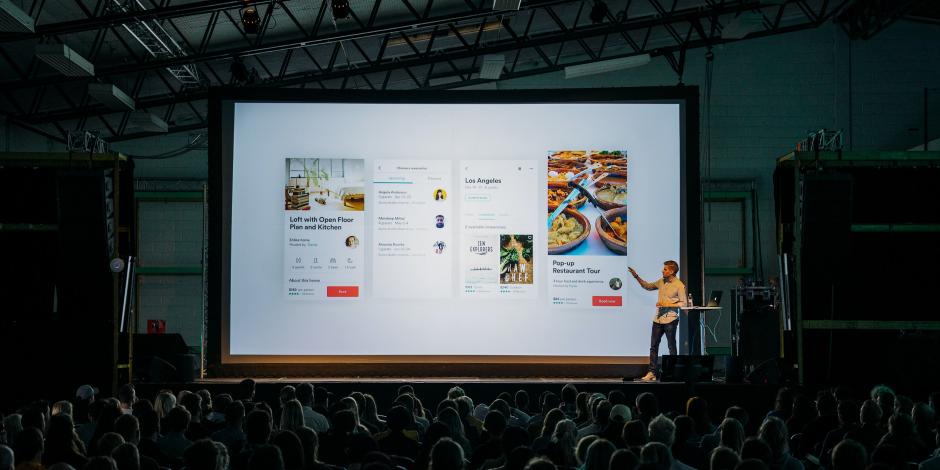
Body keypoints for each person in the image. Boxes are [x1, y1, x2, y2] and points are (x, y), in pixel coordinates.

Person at [628, 260, 687, 382]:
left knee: (672, 347)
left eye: (665, 269)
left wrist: (666, 303)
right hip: (658, 319)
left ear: (671, 271)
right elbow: (647, 286)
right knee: (653, 347)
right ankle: (652, 373)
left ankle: (673, 373)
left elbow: (683, 303)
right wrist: (636, 276)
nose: (662, 271)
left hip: (670, 319)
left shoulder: (679, 285)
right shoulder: (661, 281)